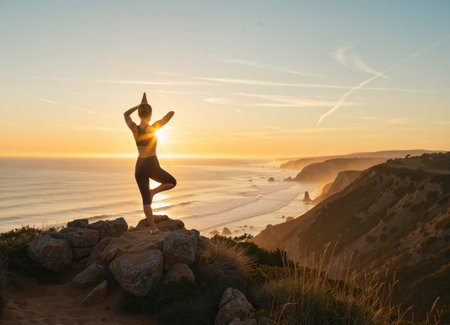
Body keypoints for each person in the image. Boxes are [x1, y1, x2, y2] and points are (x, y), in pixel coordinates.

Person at [123, 92, 176, 234]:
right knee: (171, 182)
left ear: (139, 114)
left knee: (145, 200)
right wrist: (147, 106)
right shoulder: (154, 127)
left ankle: (153, 229)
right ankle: (154, 192)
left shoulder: (134, 128)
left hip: (140, 165)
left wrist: (139, 106)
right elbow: (171, 113)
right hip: (152, 164)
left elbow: (125, 114)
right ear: (150, 114)